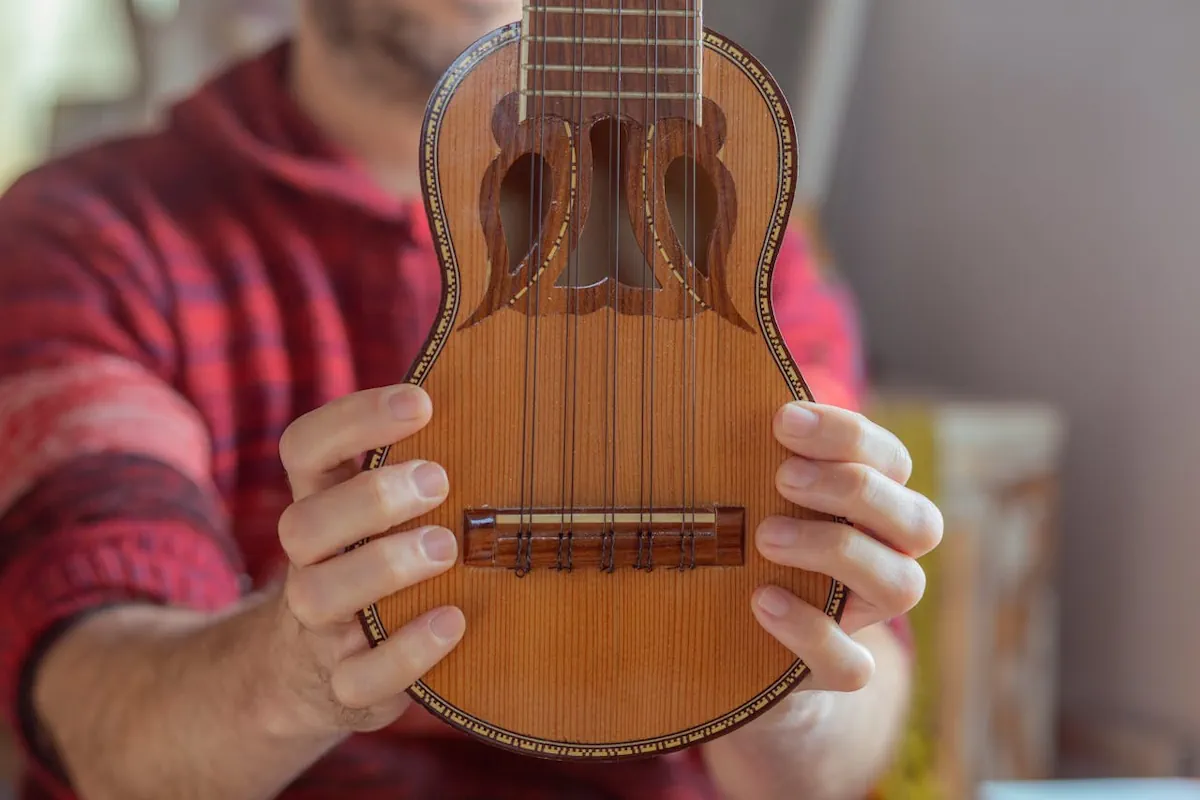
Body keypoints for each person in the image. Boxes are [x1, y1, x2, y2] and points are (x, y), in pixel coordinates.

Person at [0, 1, 941, 798]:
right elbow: (90, 707)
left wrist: (791, 678)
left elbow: (848, 734)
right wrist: (292, 670)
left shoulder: (721, 213)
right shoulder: (86, 236)